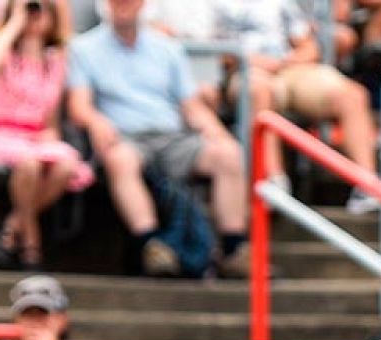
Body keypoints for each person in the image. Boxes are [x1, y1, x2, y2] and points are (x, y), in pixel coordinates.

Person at [68, 0, 251, 278]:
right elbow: (79, 105)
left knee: (229, 154)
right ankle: (152, 246)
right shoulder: (83, 48)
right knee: (120, 159)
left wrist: (218, 133)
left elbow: (191, 106)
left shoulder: (167, 48)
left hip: (173, 138)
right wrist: (95, 121)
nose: (123, 5)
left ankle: (234, 249)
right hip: (124, 138)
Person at [216, 0, 381, 214]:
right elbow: (212, 48)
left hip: (292, 68)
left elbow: (308, 44)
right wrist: (251, 61)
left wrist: (291, 61)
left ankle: (368, 185)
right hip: (243, 70)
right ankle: (273, 182)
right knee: (259, 91)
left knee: (353, 95)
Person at [0, 0, 95, 270]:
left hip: (34, 138)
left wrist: (48, 138)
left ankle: (12, 225)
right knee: (29, 164)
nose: (34, 16)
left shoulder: (55, 63)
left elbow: (50, 120)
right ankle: (31, 240)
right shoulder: (3, 52)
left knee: (65, 165)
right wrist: (16, 19)